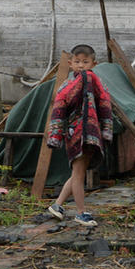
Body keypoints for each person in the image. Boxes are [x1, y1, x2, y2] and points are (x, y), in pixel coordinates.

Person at [45, 44, 113, 227]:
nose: (81, 66)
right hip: (76, 133)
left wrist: (105, 128)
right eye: (77, 62)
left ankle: (57, 205)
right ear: (70, 63)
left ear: (94, 63)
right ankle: (81, 212)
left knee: (78, 172)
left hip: (89, 132)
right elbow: (59, 108)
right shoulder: (70, 84)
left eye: (85, 62)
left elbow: (105, 103)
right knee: (78, 173)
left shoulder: (91, 80)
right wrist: (56, 134)